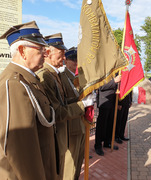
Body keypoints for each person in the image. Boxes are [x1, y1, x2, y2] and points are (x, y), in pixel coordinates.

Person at [0, 21, 57, 179]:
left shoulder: (28, 79)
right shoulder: (14, 85)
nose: (46, 54)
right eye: (40, 49)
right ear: (22, 51)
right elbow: (21, 150)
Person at [37, 33, 94, 179]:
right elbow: (58, 111)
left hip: (69, 128)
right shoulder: (46, 75)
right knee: (66, 170)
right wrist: (82, 104)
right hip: (62, 131)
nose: (64, 58)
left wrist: (82, 102)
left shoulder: (54, 75)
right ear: (48, 52)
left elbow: (64, 102)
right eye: (62, 55)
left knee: (72, 168)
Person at [59, 47, 86, 180]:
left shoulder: (78, 77)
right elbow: (63, 102)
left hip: (80, 123)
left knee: (78, 161)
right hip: (70, 127)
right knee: (70, 165)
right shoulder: (62, 77)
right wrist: (82, 102)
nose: (76, 62)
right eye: (73, 59)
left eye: (77, 59)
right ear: (66, 60)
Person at [95, 75, 122, 156]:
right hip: (105, 101)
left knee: (110, 124)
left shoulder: (115, 72)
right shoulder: (102, 71)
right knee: (101, 125)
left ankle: (107, 142)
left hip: (113, 102)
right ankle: (98, 145)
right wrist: (114, 81)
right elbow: (100, 86)